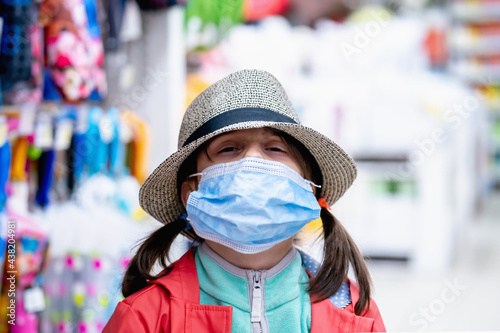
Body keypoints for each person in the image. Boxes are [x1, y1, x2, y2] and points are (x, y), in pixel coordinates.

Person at [103, 69, 385, 332]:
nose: (252, 160)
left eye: (275, 148)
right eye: (229, 148)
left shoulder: (356, 315)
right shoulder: (146, 317)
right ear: (191, 192)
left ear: (309, 188)